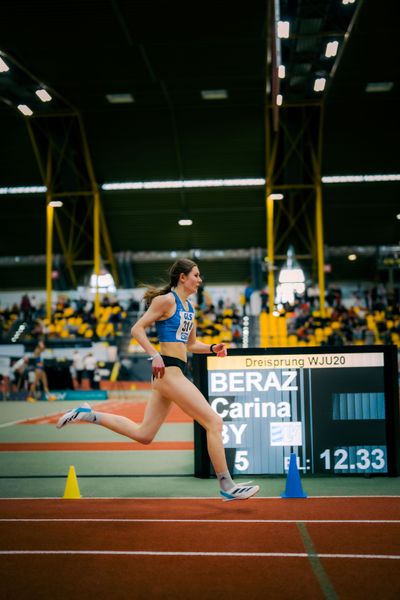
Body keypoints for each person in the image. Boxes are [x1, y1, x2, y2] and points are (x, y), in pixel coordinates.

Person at [56, 258, 259, 501]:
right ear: (182, 277)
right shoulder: (166, 301)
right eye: (196, 275)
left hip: (172, 374)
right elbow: (136, 329)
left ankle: (89, 414)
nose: (200, 280)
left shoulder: (189, 308)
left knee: (144, 434)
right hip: (168, 372)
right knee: (214, 422)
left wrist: (214, 347)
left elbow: (191, 344)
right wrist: (154, 355)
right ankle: (226, 485)